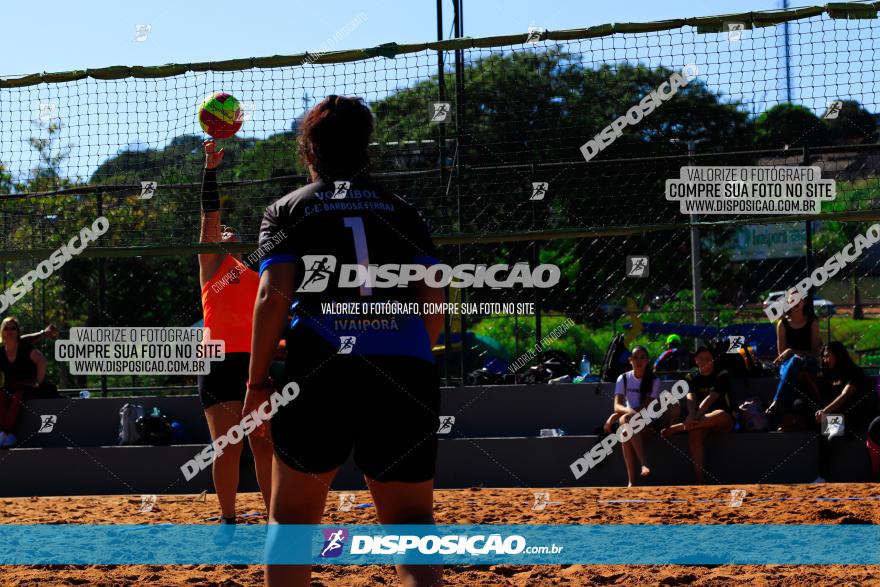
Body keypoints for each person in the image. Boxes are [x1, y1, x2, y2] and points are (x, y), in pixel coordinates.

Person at [247, 95, 445, 586]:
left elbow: (273, 298)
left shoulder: (287, 209)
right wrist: (408, 351)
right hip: (404, 367)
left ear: (309, 150)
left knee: (292, 520)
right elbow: (434, 301)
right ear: (366, 146)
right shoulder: (404, 211)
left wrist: (256, 381)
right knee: (412, 524)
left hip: (320, 368)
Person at [197, 139, 274, 525]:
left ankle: (276, 516)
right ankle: (228, 518)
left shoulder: (259, 271)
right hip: (220, 361)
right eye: (221, 232)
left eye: (231, 232)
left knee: (263, 444)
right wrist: (210, 169)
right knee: (227, 446)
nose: (225, 232)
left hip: (256, 360)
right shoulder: (212, 266)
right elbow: (210, 217)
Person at [661, 346, 735, 484]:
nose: (705, 362)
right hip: (700, 421)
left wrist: (692, 418)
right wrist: (692, 414)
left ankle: (679, 427)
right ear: (696, 360)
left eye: (708, 359)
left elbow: (711, 398)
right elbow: (691, 397)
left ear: (713, 360)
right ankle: (701, 481)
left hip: (724, 420)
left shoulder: (722, 374)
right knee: (694, 434)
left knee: (718, 414)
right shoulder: (691, 376)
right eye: (701, 359)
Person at [813, 341, 880, 483]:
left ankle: (822, 476)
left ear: (838, 355)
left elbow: (845, 395)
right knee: (821, 427)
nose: (826, 360)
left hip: (859, 418)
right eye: (824, 357)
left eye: (828, 356)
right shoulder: (830, 375)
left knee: (824, 427)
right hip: (842, 418)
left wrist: (824, 412)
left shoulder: (854, 372)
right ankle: (822, 476)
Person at [604, 346, 661, 486]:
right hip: (630, 423)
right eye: (635, 357)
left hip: (648, 424)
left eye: (642, 357)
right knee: (625, 430)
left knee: (625, 421)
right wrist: (621, 414)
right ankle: (634, 478)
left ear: (648, 360)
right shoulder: (623, 378)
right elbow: (617, 405)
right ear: (630, 360)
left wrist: (616, 417)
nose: (639, 361)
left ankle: (640, 467)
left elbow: (646, 408)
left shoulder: (654, 380)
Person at [765, 291, 822, 429]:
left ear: (804, 302)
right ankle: (786, 415)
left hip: (809, 363)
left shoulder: (812, 322)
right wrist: (791, 354)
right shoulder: (782, 324)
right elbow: (781, 356)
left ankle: (777, 402)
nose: (795, 301)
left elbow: (815, 353)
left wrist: (792, 351)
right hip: (789, 364)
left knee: (795, 359)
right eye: (792, 299)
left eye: (798, 299)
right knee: (794, 361)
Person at [0, 318, 58, 448]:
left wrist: (37, 382)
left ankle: (8, 434)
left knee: (18, 396)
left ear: (18, 331)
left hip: (30, 386)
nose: (9, 331)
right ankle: (3, 433)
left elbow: (42, 362)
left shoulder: (25, 347)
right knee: (1, 395)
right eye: (6, 328)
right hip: (12, 386)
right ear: (2, 332)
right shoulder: (0, 352)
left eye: (13, 328)